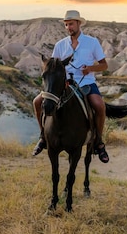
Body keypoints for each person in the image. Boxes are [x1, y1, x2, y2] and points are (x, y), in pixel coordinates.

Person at [31, 10, 109, 163]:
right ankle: (43, 137)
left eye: (71, 24)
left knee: (99, 106)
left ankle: (98, 142)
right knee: (37, 102)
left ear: (79, 24)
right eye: (66, 25)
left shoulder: (92, 42)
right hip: (65, 83)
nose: (68, 27)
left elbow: (104, 65)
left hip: (85, 82)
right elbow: (53, 66)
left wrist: (90, 69)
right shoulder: (60, 45)